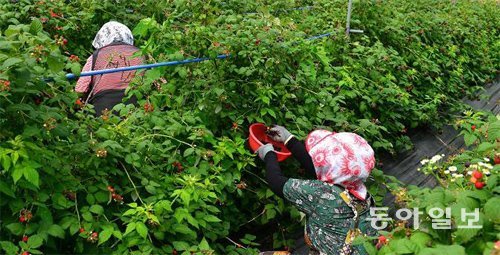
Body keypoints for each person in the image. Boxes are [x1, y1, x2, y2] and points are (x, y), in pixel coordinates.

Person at [256, 125, 377, 255]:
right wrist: (288, 139)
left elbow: (276, 182)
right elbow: (318, 169)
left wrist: (269, 155)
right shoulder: (358, 188)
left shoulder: (321, 195)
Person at [75, 21, 144, 116]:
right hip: (136, 107)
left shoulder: (96, 56)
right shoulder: (141, 55)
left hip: (104, 108)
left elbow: (80, 89)